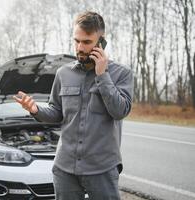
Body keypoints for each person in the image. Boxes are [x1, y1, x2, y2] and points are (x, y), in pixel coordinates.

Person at [13, 11, 133, 200]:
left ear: (101, 42)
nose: (80, 47)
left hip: (101, 169)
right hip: (65, 168)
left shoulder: (121, 73)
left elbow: (120, 111)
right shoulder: (63, 73)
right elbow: (56, 112)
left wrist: (103, 75)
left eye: (86, 42)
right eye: (76, 41)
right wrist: (35, 110)